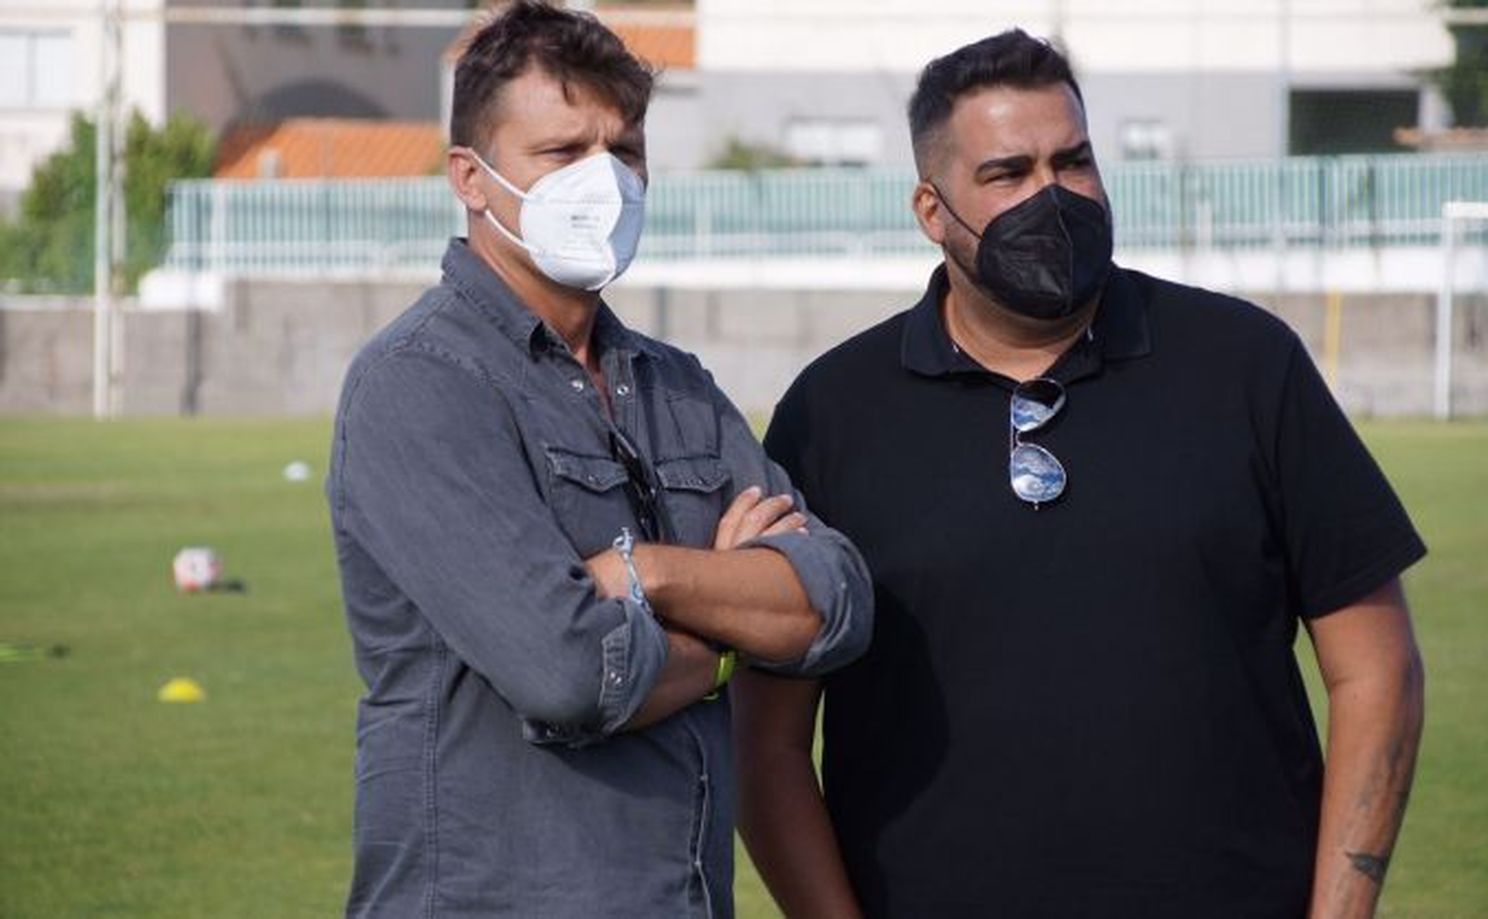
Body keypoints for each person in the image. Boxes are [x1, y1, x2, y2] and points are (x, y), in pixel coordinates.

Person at [735, 29, 1425, 919]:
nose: (1051, 197)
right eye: (1007, 173)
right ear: (931, 208)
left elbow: (1380, 671)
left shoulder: (1247, 366)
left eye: (1074, 161)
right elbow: (767, 743)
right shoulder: (830, 415)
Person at [325, 4, 872, 917]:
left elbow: (838, 598)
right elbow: (569, 674)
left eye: (625, 151)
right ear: (470, 176)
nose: (605, 181)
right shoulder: (419, 384)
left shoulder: (677, 387)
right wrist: (740, 622)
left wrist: (646, 572)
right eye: (563, 152)